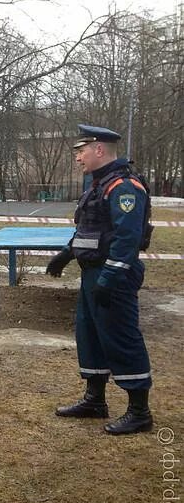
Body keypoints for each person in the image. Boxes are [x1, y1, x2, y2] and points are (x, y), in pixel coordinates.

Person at [47, 124, 154, 435]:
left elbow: (127, 238)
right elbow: (90, 228)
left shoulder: (124, 186)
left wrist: (109, 278)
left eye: (81, 151)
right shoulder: (97, 185)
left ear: (99, 150)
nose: (78, 158)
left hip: (115, 275)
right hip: (93, 274)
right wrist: (67, 253)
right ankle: (95, 400)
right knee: (90, 333)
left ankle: (139, 411)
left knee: (121, 338)